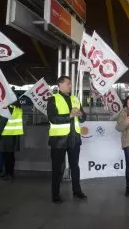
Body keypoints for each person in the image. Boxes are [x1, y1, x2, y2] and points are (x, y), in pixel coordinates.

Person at [47, 75, 87, 204]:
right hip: (59, 139)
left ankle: (77, 191)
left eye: (70, 83)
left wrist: (81, 114)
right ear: (60, 85)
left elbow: (83, 117)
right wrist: (69, 116)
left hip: (74, 138)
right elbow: (53, 118)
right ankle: (55, 194)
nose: (70, 86)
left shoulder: (75, 99)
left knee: (75, 166)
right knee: (58, 168)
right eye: (68, 83)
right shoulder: (53, 99)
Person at [0, 102, 24, 181]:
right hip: (14, 135)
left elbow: (1, 124)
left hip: (5, 136)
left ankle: (8, 173)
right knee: (10, 155)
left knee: (7, 156)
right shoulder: (17, 109)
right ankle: (10, 173)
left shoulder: (7, 108)